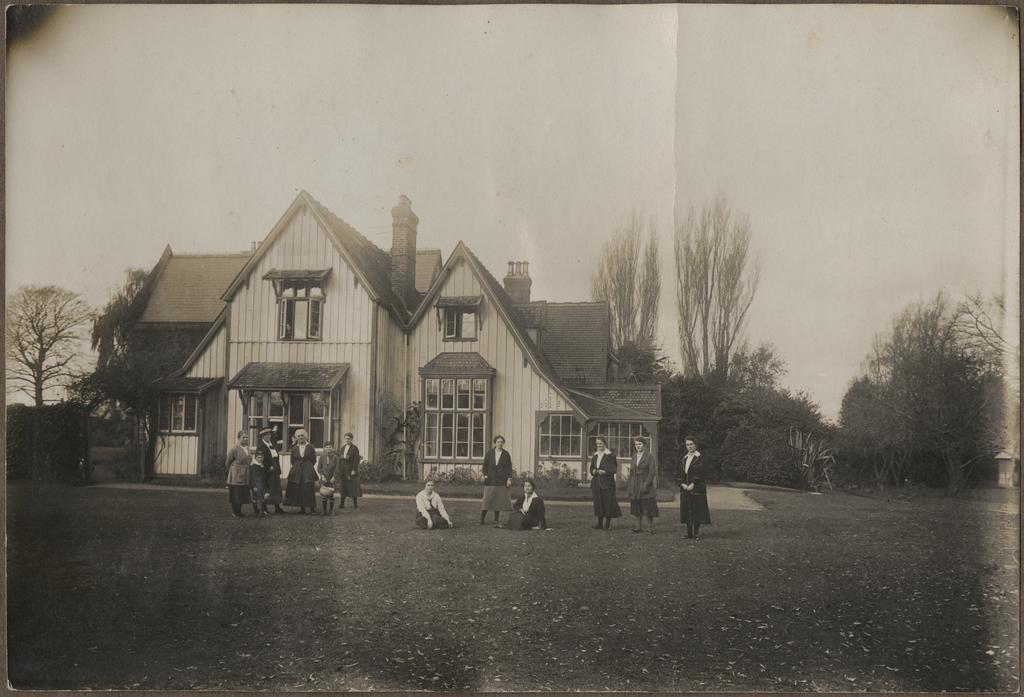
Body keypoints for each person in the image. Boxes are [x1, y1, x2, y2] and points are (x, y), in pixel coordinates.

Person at [677, 435, 711, 539]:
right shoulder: (684, 458)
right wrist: (682, 484)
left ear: (695, 445)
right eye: (687, 445)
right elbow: (680, 473)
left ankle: (696, 533)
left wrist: (692, 484)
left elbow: (700, 473)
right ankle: (689, 533)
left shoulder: (700, 458)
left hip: (697, 488)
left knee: (697, 510)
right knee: (687, 510)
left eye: (691, 444)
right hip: (685, 488)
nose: (689, 446)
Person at [626, 437, 659, 533]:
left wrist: (646, 484)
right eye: (636, 444)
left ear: (644, 445)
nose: (638, 446)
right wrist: (630, 484)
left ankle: (650, 528)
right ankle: (638, 527)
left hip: (645, 483)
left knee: (648, 505)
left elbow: (652, 472)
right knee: (636, 505)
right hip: (635, 483)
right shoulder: (634, 456)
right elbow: (632, 472)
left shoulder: (649, 456)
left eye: (640, 444)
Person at [480, 435, 513, 527]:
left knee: (497, 501)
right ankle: (482, 519)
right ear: (495, 443)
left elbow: (509, 467)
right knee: (487, 500)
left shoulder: (506, 454)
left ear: (503, 443)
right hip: (490, 480)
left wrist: (509, 479)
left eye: (501, 442)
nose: (500, 443)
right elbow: (485, 466)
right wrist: (486, 476)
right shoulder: (489, 453)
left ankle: (496, 519)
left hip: (501, 481)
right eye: (498, 442)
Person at [589, 436, 621, 530]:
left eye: (601, 443)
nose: (599, 445)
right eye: (598, 444)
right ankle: (599, 524)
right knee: (598, 503)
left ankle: (607, 525)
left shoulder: (610, 455)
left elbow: (614, 469)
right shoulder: (595, 455)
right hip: (596, 483)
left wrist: (605, 471)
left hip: (607, 483)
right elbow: (591, 467)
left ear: (605, 443)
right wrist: (593, 471)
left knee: (608, 503)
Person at [285, 429, 318, 514]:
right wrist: (297, 466)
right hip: (297, 470)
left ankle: (312, 508)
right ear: (296, 438)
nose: (300, 438)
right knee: (300, 488)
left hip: (308, 469)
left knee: (309, 488)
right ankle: (302, 508)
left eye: (302, 436)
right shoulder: (294, 448)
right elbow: (292, 460)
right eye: (299, 436)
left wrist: (308, 466)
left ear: (305, 436)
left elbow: (314, 459)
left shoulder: (310, 446)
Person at [256, 427, 284, 514]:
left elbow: (276, 457)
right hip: (266, 470)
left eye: (269, 435)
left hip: (275, 469)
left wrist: (278, 468)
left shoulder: (273, 444)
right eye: (266, 435)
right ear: (262, 437)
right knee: (267, 488)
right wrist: (267, 467)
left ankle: (277, 507)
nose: (268, 436)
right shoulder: (261, 446)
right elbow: (259, 459)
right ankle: (264, 508)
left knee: (276, 488)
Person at [226, 431, 252, 517]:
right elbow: (228, 461)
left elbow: (249, 460)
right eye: (243, 437)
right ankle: (235, 512)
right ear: (238, 438)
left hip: (245, 473)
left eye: (246, 437)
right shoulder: (234, 449)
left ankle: (239, 511)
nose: (245, 439)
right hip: (236, 473)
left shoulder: (247, 448)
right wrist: (234, 470)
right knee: (236, 492)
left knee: (242, 492)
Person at [338, 432, 362, 509]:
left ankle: (355, 504)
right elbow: (340, 459)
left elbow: (356, 460)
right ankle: (342, 504)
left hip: (350, 469)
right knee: (343, 487)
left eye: (348, 439)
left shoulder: (354, 448)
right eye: (346, 439)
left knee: (353, 487)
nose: (347, 440)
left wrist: (354, 470)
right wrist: (339, 469)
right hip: (343, 470)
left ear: (351, 439)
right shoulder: (342, 448)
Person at [316, 443, 341, 516]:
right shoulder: (321, 457)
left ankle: (331, 510)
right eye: (327, 447)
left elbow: (337, 469)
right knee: (324, 494)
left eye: (330, 447)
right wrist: (322, 476)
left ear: (332, 448)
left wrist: (334, 477)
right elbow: (319, 468)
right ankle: (324, 510)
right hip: (324, 478)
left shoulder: (336, 458)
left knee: (331, 494)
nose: (328, 448)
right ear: (324, 448)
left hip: (332, 478)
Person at [249, 451, 269, 517]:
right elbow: (252, 477)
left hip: (262, 484)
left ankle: (261, 510)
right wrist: (254, 486)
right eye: (258, 457)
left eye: (261, 457)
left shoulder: (262, 466)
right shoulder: (253, 466)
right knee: (256, 498)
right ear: (256, 458)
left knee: (262, 498)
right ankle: (257, 511)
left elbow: (265, 476)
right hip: (256, 485)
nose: (260, 459)